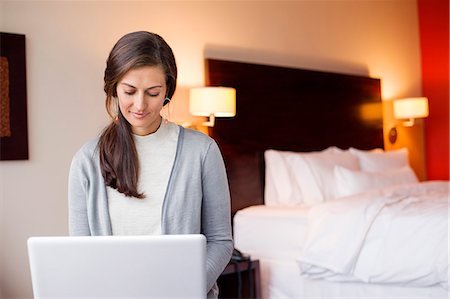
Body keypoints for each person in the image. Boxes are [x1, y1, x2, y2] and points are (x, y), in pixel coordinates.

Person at [68, 31, 233, 298]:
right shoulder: (86, 162)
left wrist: (185, 288)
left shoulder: (202, 152)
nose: (140, 105)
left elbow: (220, 241)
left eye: (153, 93)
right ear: (114, 88)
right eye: (129, 91)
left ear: (167, 90)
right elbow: (83, 253)